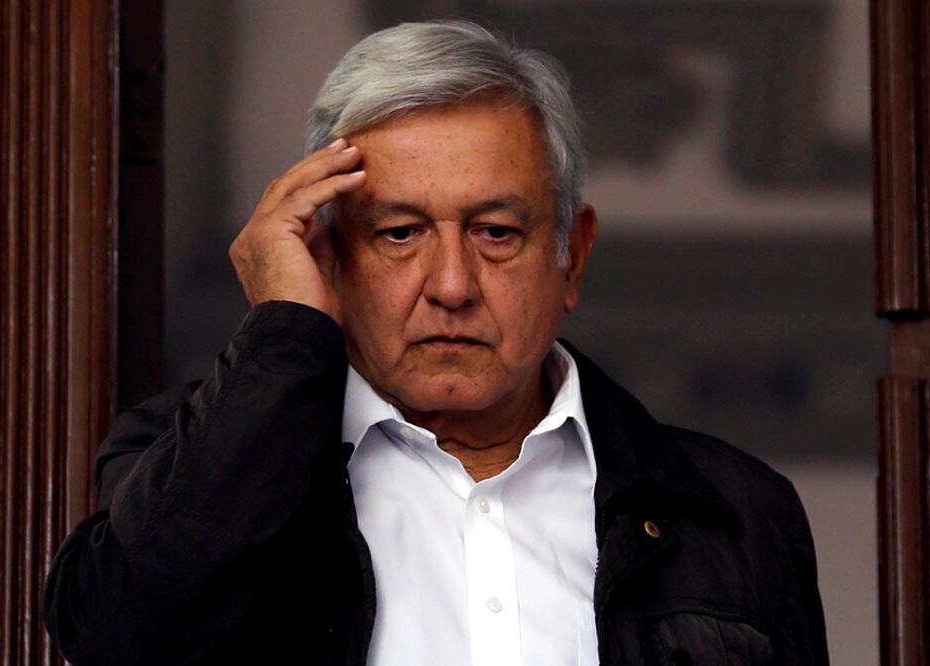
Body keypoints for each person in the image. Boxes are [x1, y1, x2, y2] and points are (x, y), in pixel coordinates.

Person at [44, 20, 828, 666]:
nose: (451, 284)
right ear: (326, 255)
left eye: (496, 232)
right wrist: (283, 331)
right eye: (398, 233)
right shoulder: (181, 460)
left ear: (573, 257)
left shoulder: (733, 511)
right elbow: (117, 640)